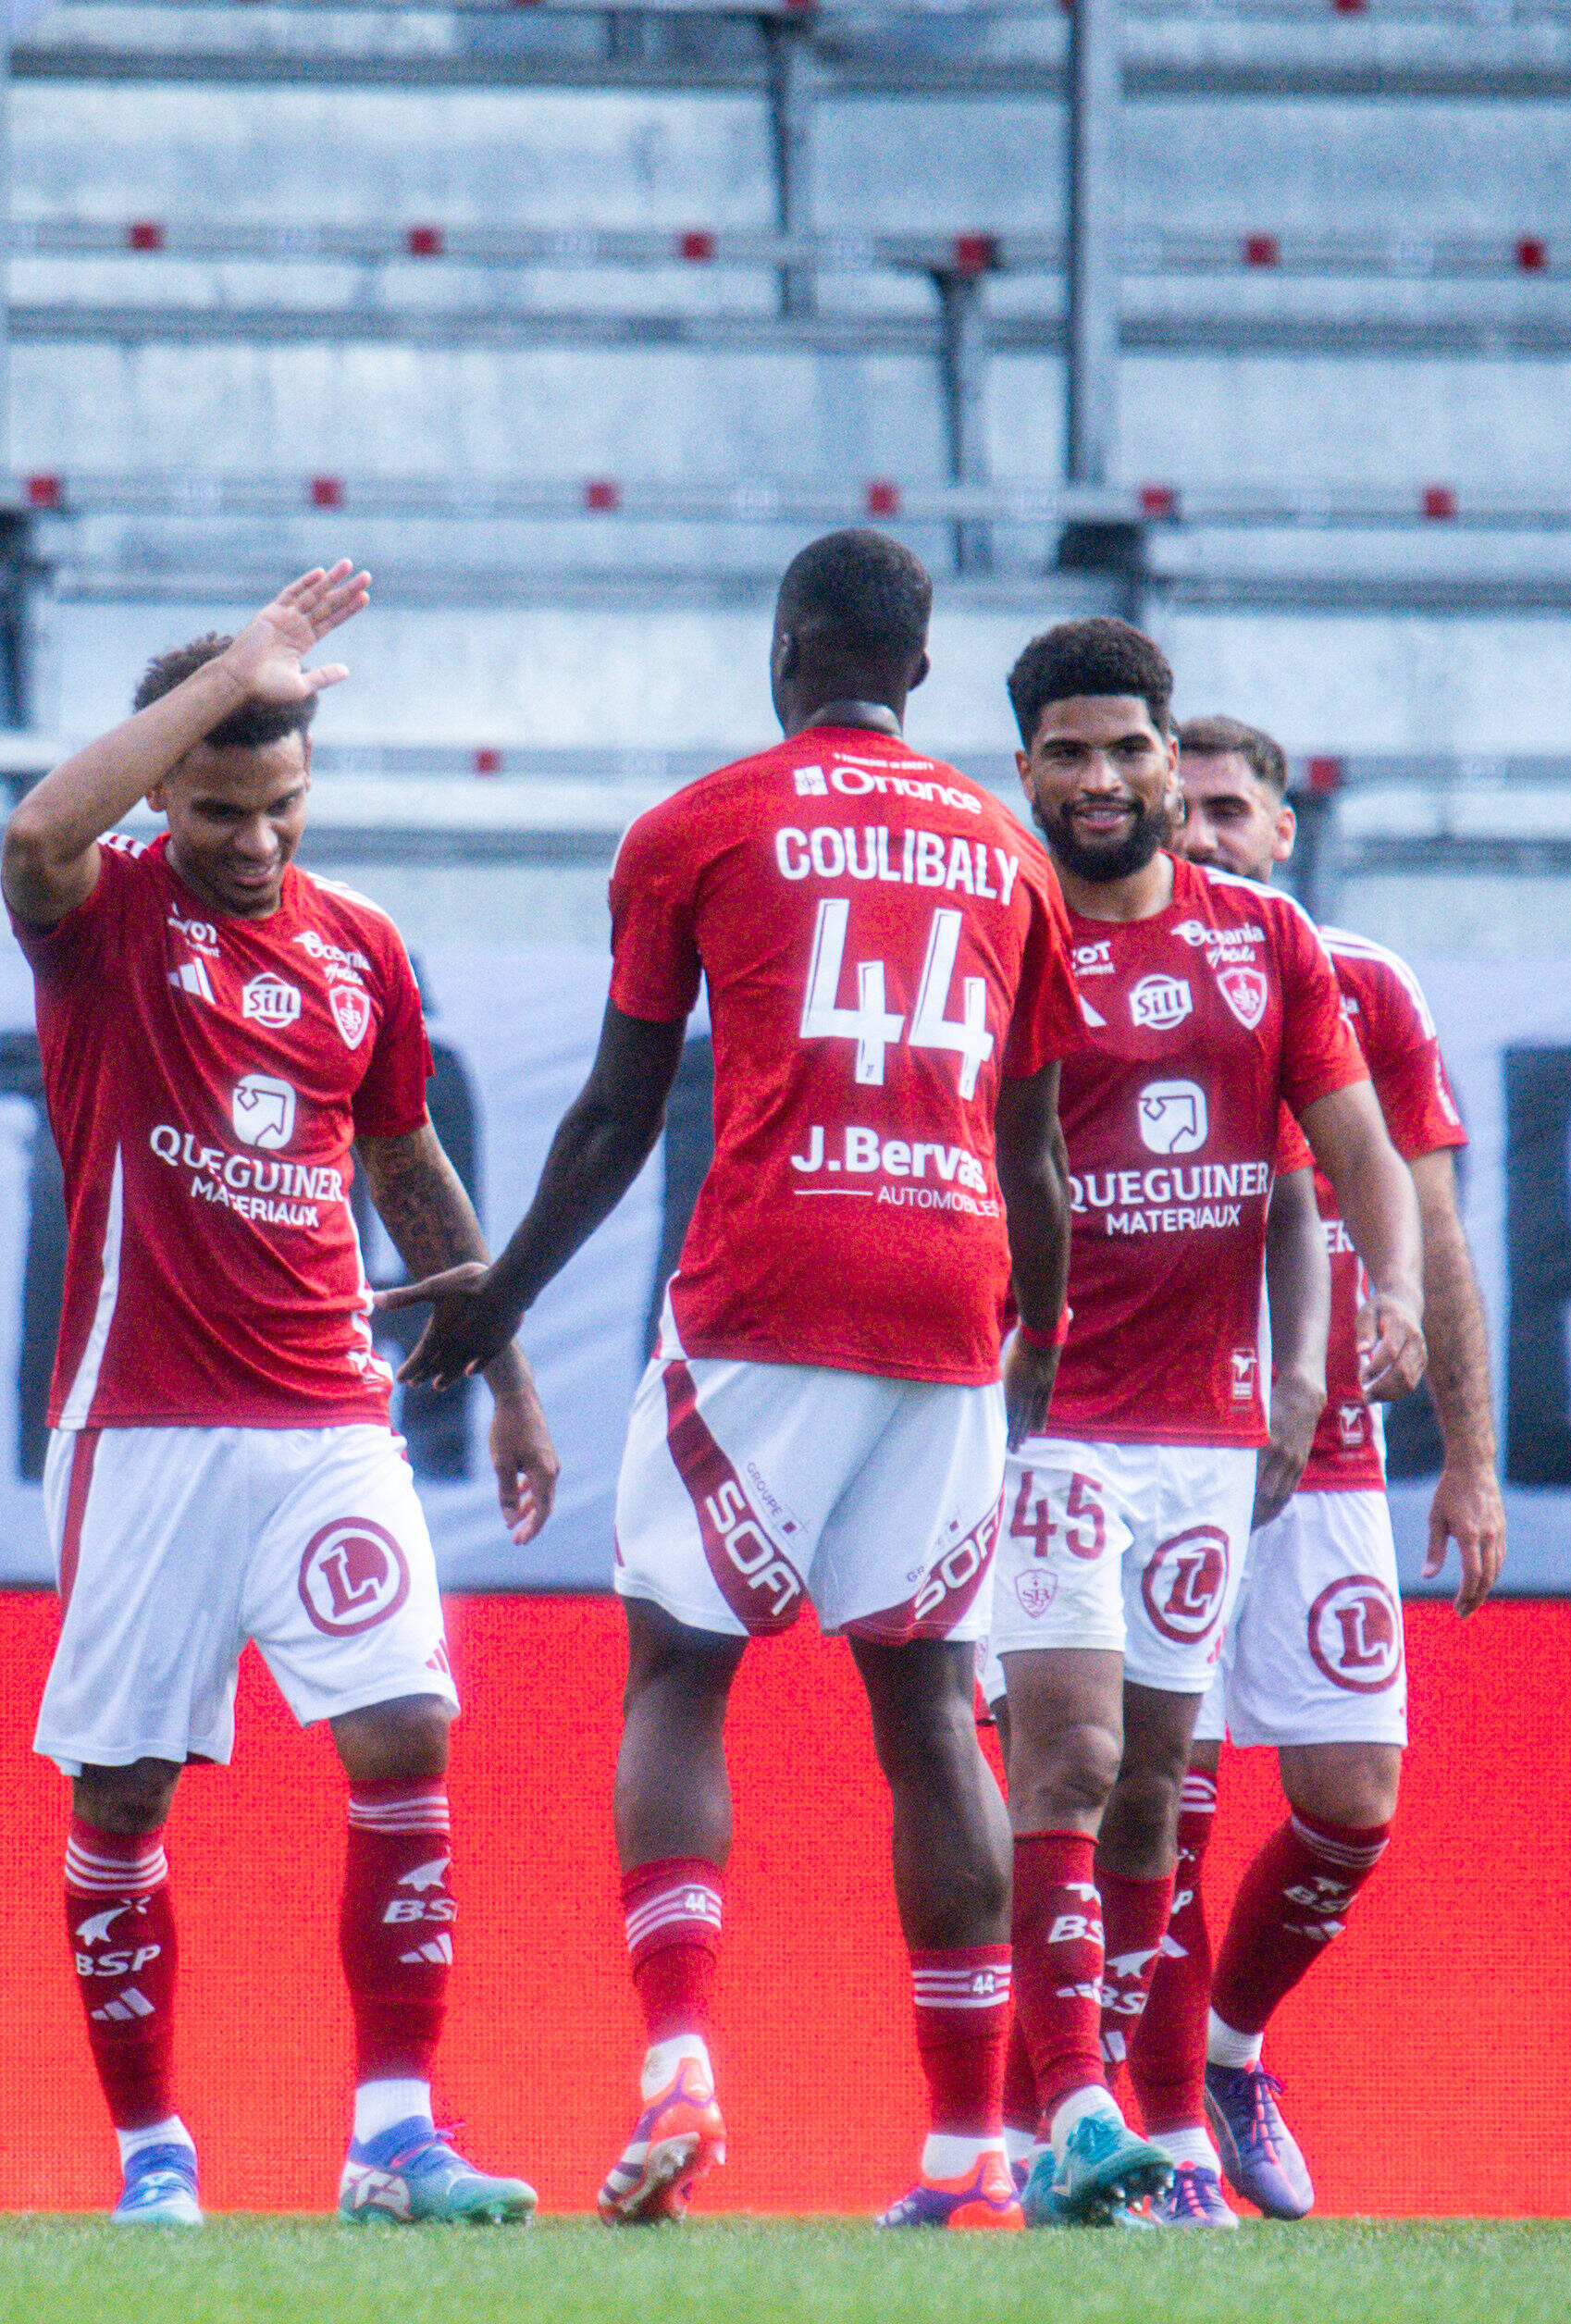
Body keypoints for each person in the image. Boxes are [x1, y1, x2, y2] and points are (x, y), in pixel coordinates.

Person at [385, 529, 1079, 2231]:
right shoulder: (1012, 853)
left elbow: (619, 1117)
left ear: (784, 650)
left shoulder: (698, 828)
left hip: (770, 1284)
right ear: (920, 671)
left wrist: (497, 1299)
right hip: (950, 1305)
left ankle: (683, 2060)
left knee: (682, 1675)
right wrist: (1037, 1367)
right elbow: (1039, 1156)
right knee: (928, 1713)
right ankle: (970, 2158)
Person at [0, 562, 559, 2229]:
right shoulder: (102, 917)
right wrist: (229, 669)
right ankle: (154, 2158)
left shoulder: (359, 951)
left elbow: (406, 1163)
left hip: (329, 1415)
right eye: (225, 809)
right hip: (143, 1426)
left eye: (286, 809)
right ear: (167, 784)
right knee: (126, 1797)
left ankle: (394, 2135)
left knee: (407, 1729)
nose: (258, 844)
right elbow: (34, 836)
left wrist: (509, 1367)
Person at [983, 623, 1425, 2227]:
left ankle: (1138, 2131)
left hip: (1207, 1428)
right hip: (1048, 1426)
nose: (1100, 781)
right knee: (1076, 1751)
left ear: (1174, 759)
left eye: (1128, 750)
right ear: (1024, 769)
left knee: (1161, 1786)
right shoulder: (1005, 934)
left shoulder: (1271, 945)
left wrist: (1388, 1289)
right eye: (1068, 755)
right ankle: (1075, 2106)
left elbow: (1351, 1144)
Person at [1121, 714, 1503, 2225]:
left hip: (1333, 1455)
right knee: (1169, 1798)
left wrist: (1470, 1463)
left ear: (1286, 833)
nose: (1206, 831)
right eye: (1187, 804)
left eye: (1233, 809)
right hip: (1159, 1439)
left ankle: (1223, 2052)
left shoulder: (1360, 984)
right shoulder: (1106, 961)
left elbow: (1439, 1233)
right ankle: (1150, 2132)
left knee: (1352, 1802)